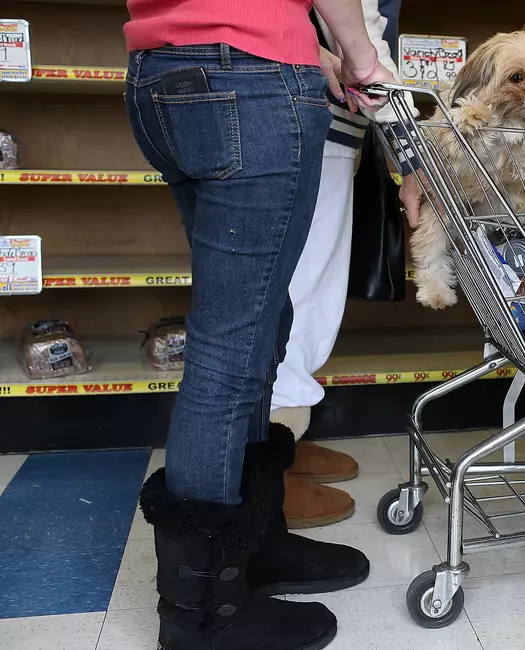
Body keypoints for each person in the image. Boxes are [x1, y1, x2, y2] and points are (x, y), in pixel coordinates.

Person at [122, 1, 394, 648]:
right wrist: (361, 56)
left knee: (260, 323)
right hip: (252, 83)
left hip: (163, 72)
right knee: (230, 348)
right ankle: (200, 618)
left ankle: (251, 548)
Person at [269, 0, 420, 529]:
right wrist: (408, 143)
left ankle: (279, 446)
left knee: (301, 293)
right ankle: (266, 475)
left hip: (317, 116)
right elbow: (361, 40)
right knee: (297, 296)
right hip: (302, 112)